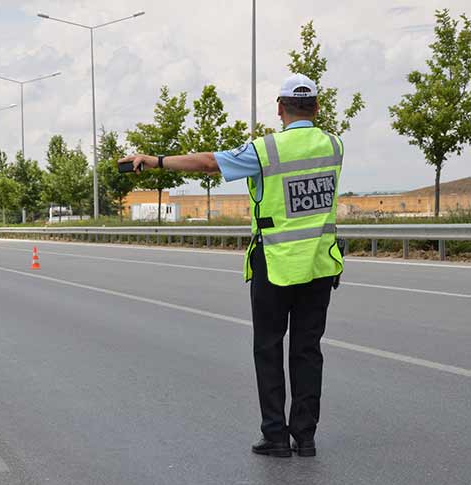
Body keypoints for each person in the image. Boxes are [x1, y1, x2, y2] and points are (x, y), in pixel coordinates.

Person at [120, 74, 344, 458]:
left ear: (279, 107)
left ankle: (276, 436)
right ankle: (304, 437)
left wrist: (153, 161)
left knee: (269, 348)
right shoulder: (334, 145)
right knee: (308, 350)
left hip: (274, 262)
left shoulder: (267, 150)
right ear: (317, 108)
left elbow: (209, 163)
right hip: (320, 264)